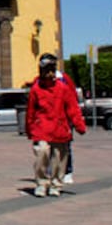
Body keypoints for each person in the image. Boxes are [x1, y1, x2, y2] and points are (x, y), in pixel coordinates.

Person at [26, 53, 86, 197]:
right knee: (42, 153)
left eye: (51, 70)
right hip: (42, 129)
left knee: (59, 159)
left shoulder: (63, 88)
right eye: (46, 70)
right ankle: (41, 183)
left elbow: (73, 108)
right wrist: (29, 129)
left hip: (60, 129)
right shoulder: (36, 89)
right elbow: (31, 111)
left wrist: (79, 126)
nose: (49, 73)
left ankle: (56, 184)